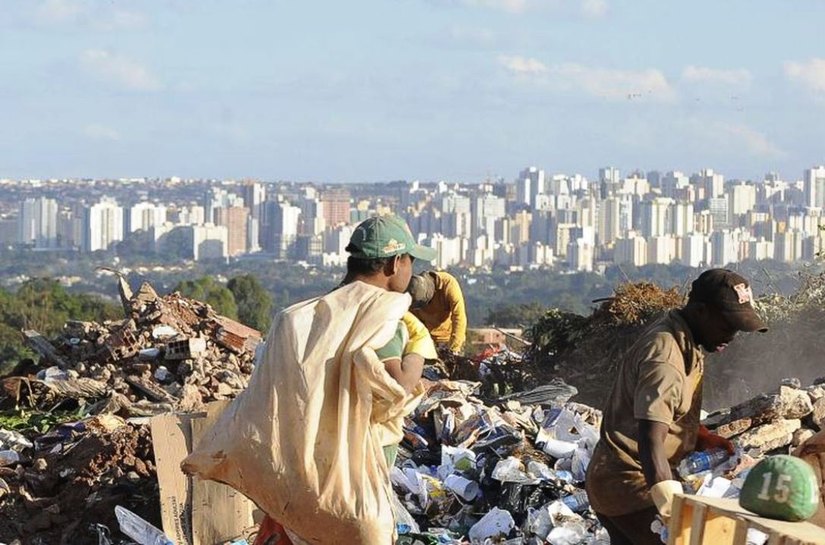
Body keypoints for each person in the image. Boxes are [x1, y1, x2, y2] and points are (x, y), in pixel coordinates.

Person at [249, 214, 438, 545]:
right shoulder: (382, 317)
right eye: (410, 260)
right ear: (395, 264)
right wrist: (418, 347)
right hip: (354, 472)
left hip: (303, 462)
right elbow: (398, 388)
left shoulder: (307, 315)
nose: (412, 270)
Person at [585, 269, 768, 545]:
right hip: (631, 488)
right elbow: (650, 440)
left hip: (612, 481)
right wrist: (671, 509)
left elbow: (666, 412)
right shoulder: (666, 357)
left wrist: (702, 437)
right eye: (727, 325)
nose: (731, 336)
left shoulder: (685, 338)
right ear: (701, 311)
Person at [407, 270, 467, 355]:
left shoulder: (448, 284)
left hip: (449, 339)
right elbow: (409, 322)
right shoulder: (413, 291)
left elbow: (459, 316)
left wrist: (454, 348)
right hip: (427, 341)